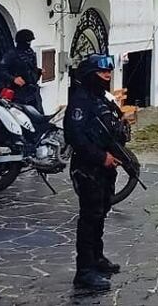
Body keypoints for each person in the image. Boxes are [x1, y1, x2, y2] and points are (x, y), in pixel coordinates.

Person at [64, 54, 124, 293]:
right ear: (91, 75)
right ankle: (84, 271)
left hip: (105, 169)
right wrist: (101, 157)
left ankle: (97, 258)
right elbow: (75, 136)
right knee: (89, 218)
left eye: (109, 72)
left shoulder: (103, 98)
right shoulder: (81, 100)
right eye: (103, 73)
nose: (107, 77)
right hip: (88, 167)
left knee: (101, 213)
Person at [0, 29, 44, 113]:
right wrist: (13, 79)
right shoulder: (11, 54)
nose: (29, 44)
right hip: (18, 94)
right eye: (27, 41)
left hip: (33, 93)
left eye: (30, 41)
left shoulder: (30, 52)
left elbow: (31, 69)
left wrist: (39, 72)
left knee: (38, 117)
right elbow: (0, 70)